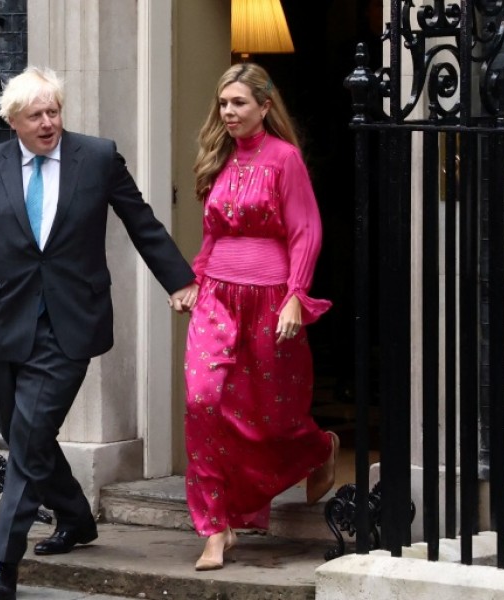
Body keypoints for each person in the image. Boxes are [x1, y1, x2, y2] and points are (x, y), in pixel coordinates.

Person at [0, 66, 197, 600]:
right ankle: (76, 516)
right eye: (36, 115)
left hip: (70, 326)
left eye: (54, 111)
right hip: (6, 325)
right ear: (13, 121)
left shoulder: (98, 157)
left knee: (29, 437)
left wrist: (178, 282)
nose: (48, 123)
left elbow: (142, 221)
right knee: (24, 434)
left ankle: (4, 565)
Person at [182, 63, 338, 571]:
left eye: (239, 104)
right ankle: (215, 526)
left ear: (264, 107)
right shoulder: (219, 158)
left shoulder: (284, 159)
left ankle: (319, 449)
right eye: (223, 104)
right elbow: (211, 235)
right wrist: (195, 280)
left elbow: (305, 231)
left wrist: (296, 294)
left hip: (270, 299)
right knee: (203, 400)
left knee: (267, 417)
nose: (228, 112)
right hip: (216, 299)